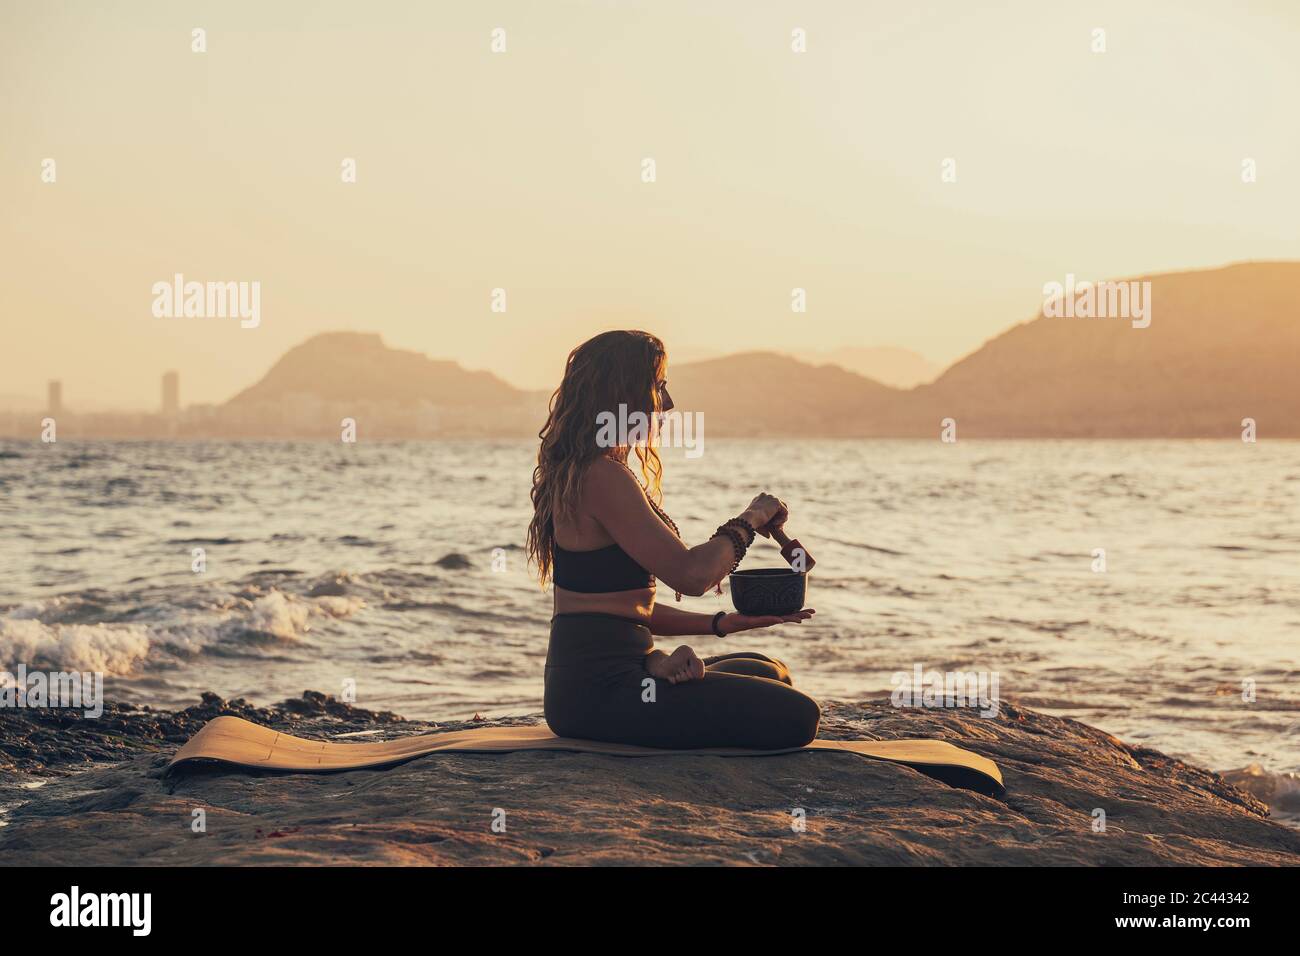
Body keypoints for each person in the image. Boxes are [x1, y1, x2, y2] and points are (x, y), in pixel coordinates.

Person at [527, 330, 821, 749]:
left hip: (619, 673)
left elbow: (621, 610)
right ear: (621, 393)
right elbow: (692, 575)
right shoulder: (599, 476)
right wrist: (751, 520)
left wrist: (720, 625)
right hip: (598, 693)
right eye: (658, 386)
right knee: (799, 716)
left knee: (768, 670)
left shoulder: (594, 470)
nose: (667, 403)